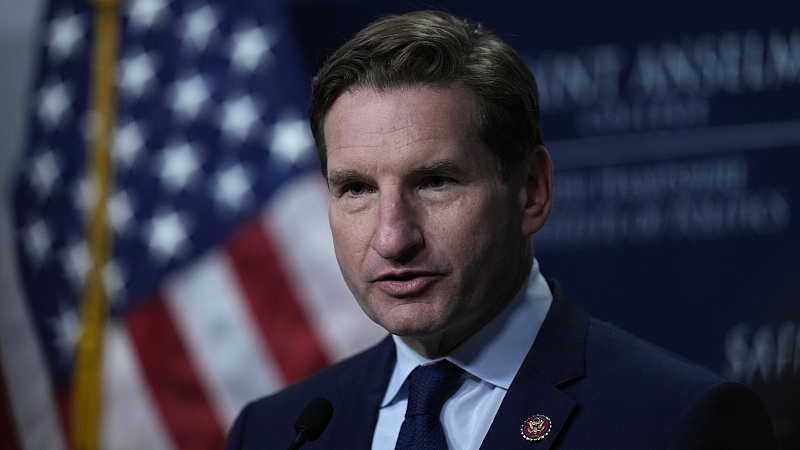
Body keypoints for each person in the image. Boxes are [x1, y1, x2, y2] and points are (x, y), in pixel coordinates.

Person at [226, 10, 776, 449]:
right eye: (357, 190)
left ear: (531, 191)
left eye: (436, 181)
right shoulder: (277, 432)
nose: (392, 238)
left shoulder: (677, 424)